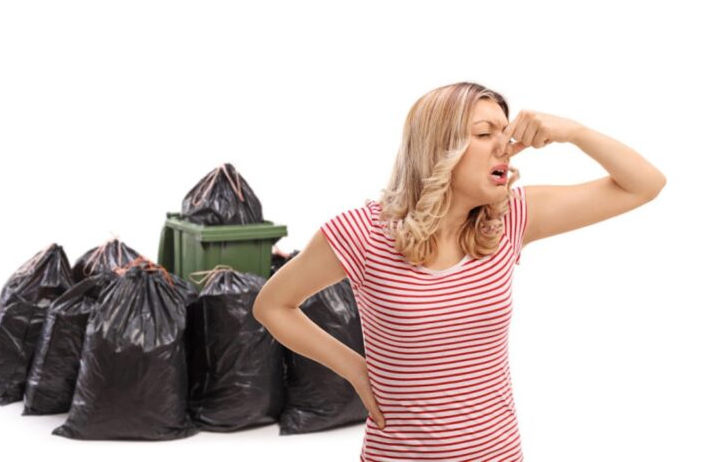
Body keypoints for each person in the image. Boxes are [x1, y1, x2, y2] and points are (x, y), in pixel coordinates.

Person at [252, 81, 666, 461]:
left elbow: (644, 184)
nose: (505, 147)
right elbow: (273, 305)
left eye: (506, 134)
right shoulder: (361, 233)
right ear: (437, 148)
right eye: (485, 134)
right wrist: (356, 370)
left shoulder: (510, 221)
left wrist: (575, 132)